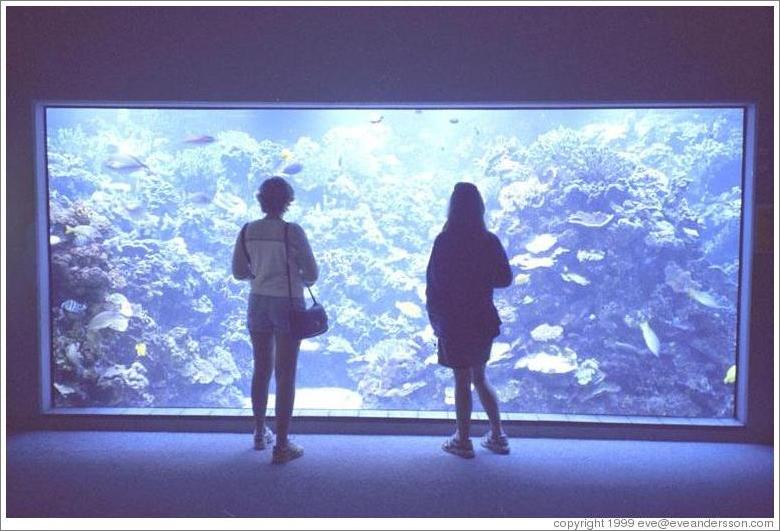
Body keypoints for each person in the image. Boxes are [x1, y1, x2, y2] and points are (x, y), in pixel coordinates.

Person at [232, 176, 318, 464]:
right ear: (288, 202)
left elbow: (238, 272)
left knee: (261, 368)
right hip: (288, 304)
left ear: (260, 200)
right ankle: (282, 445)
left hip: (257, 302)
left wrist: (259, 273)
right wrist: (294, 274)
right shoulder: (292, 231)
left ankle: (259, 432)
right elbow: (312, 273)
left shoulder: (247, 230)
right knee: (285, 374)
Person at [425, 182, 512, 458]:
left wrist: (436, 321)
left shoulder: (444, 241)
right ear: (480, 208)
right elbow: (505, 279)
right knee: (480, 377)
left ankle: (463, 441)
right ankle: (498, 435)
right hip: (482, 319)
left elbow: (435, 284)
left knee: (461, 380)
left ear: (452, 208)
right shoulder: (490, 240)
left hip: (453, 321)